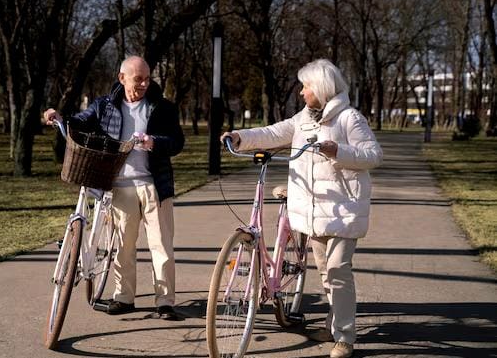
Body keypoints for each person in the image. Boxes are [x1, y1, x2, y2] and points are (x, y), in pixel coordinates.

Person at [221, 59, 382, 358]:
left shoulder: (349, 119)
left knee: (338, 269)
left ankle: (345, 336)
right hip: (315, 209)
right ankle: (334, 326)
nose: (302, 92)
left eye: (306, 86)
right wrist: (240, 137)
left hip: (345, 208)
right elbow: (273, 133)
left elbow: (373, 155)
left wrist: (340, 151)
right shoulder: (303, 119)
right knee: (324, 272)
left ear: (321, 87)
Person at [44, 56, 184, 320]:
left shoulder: (162, 107)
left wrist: (153, 141)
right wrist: (58, 117)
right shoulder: (105, 106)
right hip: (120, 186)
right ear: (122, 78)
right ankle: (124, 298)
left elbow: (177, 142)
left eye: (146, 78)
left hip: (155, 185)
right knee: (123, 246)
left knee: (161, 245)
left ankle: (165, 302)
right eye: (137, 78)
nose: (143, 83)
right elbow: (80, 121)